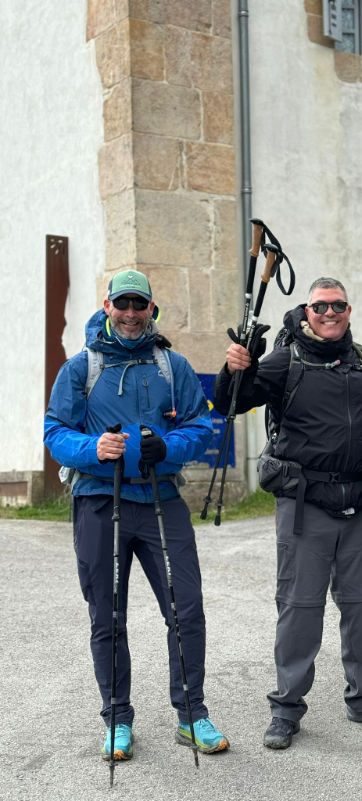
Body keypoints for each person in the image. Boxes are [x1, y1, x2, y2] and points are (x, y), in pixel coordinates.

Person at [44, 269, 229, 760]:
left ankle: (192, 715)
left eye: (139, 305)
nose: (130, 313)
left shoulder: (173, 366)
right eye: (121, 304)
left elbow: (201, 426)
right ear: (107, 306)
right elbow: (54, 431)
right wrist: (92, 447)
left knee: (186, 609)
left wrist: (165, 446)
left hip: (160, 499)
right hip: (99, 503)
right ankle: (117, 720)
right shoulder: (80, 368)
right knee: (107, 617)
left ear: (152, 310)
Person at [214, 277, 362, 750]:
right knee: (300, 608)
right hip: (304, 505)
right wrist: (234, 367)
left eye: (338, 305)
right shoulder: (286, 359)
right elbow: (230, 402)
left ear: (349, 309)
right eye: (321, 306)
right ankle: (286, 709)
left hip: (358, 502)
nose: (330, 312)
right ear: (307, 310)